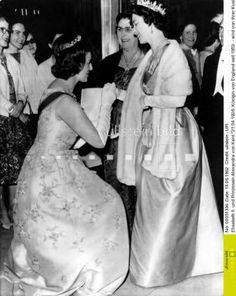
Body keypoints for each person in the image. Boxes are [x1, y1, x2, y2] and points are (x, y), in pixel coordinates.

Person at [3, 33, 129, 296]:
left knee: (83, 209)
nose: (91, 68)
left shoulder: (53, 89)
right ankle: (85, 270)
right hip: (51, 172)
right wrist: (107, 102)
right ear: (77, 65)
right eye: (88, 63)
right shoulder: (67, 101)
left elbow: (63, 136)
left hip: (41, 164)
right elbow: (98, 139)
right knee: (109, 202)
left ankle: (66, 262)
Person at [117, 0, 223, 288]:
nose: (134, 31)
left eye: (136, 24)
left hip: (174, 134)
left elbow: (179, 98)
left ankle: (166, 265)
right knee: (151, 196)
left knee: (169, 196)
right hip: (156, 130)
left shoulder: (173, 51)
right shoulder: (154, 53)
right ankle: (153, 264)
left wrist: (145, 101)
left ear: (150, 22)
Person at [90, 12, 145, 232]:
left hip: (140, 135)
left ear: (137, 31)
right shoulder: (108, 64)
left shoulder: (149, 61)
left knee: (140, 190)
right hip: (113, 138)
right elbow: (92, 96)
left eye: (128, 28)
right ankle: (120, 242)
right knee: (115, 188)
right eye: (119, 29)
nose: (123, 34)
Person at [0, 16, 30, 229]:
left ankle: (13, 209)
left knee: (15, 168)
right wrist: (14, 111)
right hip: (2, 119)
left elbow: (21, 87)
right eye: (1, 30)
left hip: (13, 120)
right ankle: (2, 212)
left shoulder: (11, 60)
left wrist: (20, 103)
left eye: (7, 30)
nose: (6, 34)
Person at [198, 16, 224, 225]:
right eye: (221, 29)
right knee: (217, 183)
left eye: (228, 28)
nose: (223, 33)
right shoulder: (211, 61)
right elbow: (205, 97)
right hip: (215, 134)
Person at [179, 22, 201, 116]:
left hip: (193, 102)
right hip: (184, 104)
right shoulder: (179, 53)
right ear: (180, 36)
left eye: (194, 32)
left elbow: (199, 82)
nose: (192, 36)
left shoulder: (194, 53)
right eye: (187, 32)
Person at [38, 33, 62, 97]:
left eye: (63, 41)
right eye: (57, 42)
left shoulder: (71, 64)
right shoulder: (42, 68)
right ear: (50, 45)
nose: (61, 46)